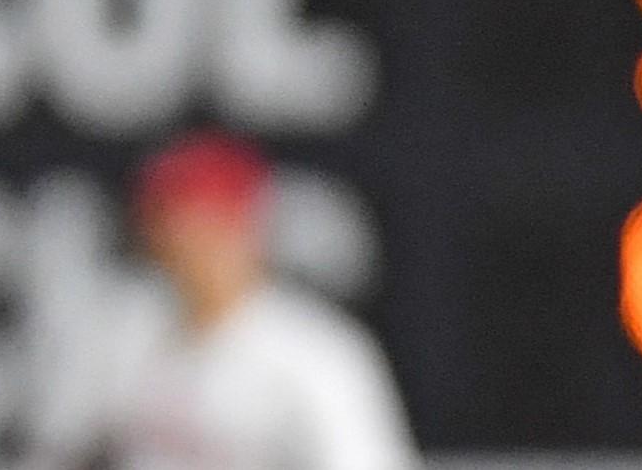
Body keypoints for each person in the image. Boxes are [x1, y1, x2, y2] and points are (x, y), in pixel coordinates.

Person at [87, 131, 419, 470]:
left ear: (244, 223)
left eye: (200, 219)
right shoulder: (126, 335)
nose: (177, 239)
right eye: (164, 218)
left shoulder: (316, 352)